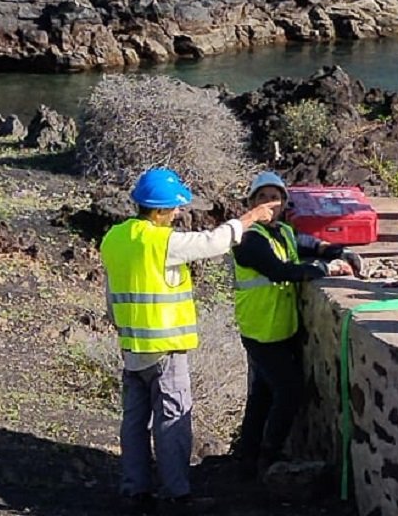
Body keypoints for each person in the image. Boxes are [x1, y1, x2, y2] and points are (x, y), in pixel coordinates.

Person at [100, 168, 280, 511]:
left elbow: (110, 295)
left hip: (132, 347)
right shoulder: (162, 241)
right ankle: (176, 492)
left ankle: (135, 487)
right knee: (173, 421)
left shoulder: (114, 238)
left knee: (134, 422)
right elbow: (212, 243)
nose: (178, 213)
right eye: (174, 208)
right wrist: (252, 217)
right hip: (166, 349)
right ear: (157, 211)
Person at [230, 170, 362, 479]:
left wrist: (336, 250)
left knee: (263, 394)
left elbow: (306, 243)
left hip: (277, 327)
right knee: (288, 391)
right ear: (250, 204)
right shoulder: (249, 240)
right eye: (261, 198)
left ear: (284, 203)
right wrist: (324, 268)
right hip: (261, 330)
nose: (268, 204)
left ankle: (247, 456)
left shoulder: (282, 233)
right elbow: (279, 271)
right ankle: (269, 457)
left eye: (274, 198)